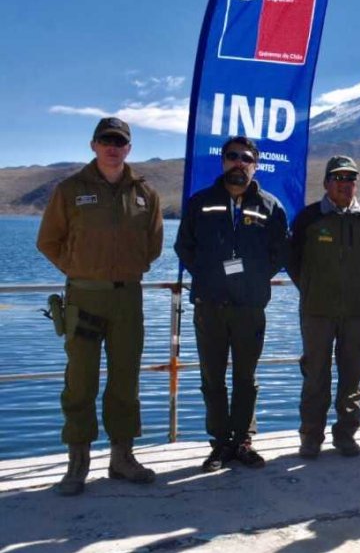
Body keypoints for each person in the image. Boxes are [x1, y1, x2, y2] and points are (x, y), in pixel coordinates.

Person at [36, 117, 163, 495]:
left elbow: (153, 244)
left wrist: (128, 269)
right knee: (81, 380)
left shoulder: (145, 194)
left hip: (128, 298)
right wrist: (78, 269)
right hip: (84, 297)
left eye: (119, 142)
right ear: (93, 145)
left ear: (128, 148)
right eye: (106, 140)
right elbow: (48, 241)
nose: (112, 147)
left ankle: (122, 457)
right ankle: (77, 463)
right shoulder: (71, 190)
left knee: (126, 379)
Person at [175, 136, 288, 472]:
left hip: (249, 307)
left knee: (246, 377)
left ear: (256, 164)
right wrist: (212, 276)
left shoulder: (270, 206)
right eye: (232, 157)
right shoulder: (200, 202)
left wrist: (250, 280)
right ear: (223, 161)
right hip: (209, 305)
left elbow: (279, 253)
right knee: (212, 378)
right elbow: (185, 247)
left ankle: (242, 441)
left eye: (247, 158)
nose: (239, 163)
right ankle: (220, 444)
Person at [289, 156, 360, 459]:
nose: (344, 185)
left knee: (353, 372)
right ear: (327, 182)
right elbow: (293, 261)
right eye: (338, 179)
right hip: (316, 310)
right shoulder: (309, 218)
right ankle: (311, 437)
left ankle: (346, 435)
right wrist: (312, 287)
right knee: (315, 374)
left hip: (356, 311)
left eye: (350, 179)